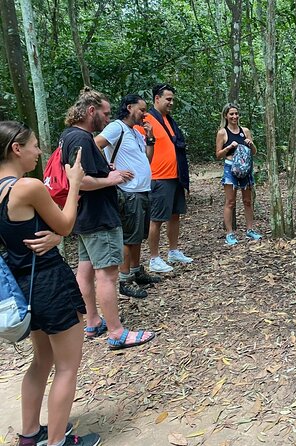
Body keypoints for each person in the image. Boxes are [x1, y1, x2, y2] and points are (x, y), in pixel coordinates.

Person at [0, 121, 101, 446]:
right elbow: (67, 223)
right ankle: (58, 442)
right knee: (67, 367)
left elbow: (21, 234)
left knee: (41, 360)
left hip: (22, 288)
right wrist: (74, 183)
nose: (38, 152)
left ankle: (30, 435)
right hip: (49, 284)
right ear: (16, 148)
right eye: (33, 145)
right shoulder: (27, 187)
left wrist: (54, 236)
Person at [60, 87, 155, 350]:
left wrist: (105, 170)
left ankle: (92, 321)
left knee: (86, 269)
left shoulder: (70, 136)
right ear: (91, 111)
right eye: (105, 112)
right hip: (99, 216)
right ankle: (116, 332)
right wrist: (111, 178)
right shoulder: (80, 139)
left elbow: (83, 172)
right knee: (108, 274)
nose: (107, 117)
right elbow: (78, 179)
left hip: (86, 215)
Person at [95, 94, 161, 299]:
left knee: (138, 235)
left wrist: (150, 138)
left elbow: (146, 160)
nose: (144, 113)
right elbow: (95, 144)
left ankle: (136, 271)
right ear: (129, 107)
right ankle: (124, 280)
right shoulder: (116, 127)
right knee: (128, 237)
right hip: (128, 192)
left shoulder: (135, 132)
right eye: (141, 109)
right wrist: (107, 170)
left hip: (142, 190)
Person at [144, 84, 192, 272]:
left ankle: (173, 251)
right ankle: (154, 258)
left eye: (173, 99)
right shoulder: (147, 119)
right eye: (168, 99)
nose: (171, 103)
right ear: (157, 98)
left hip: (175, 175)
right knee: (156, 218)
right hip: (159, 176)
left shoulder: (169, 120)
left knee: (175, 215)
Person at [215, 103, 262, 245]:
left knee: (248, 201)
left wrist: (251, 144)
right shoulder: (222, 133)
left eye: (236, 114)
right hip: (230, 168)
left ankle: (250, 230)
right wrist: (229, 147)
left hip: (245, 168)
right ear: (226, 116)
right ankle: (229, 233)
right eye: (231, 114)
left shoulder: (245, 131)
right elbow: (218, 154)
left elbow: (254, 152)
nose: (234, 116)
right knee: (230, 202)